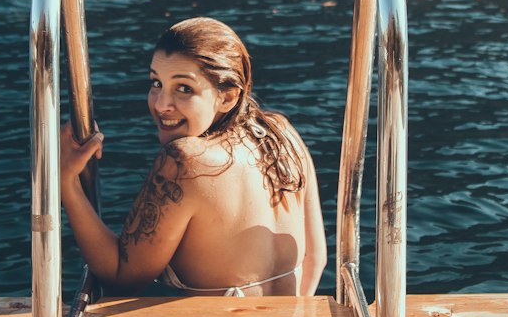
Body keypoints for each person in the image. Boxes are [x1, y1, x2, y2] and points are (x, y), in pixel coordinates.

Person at [59, 16, 327, 295]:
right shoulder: (282, 134)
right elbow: (315, 258)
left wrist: (66, 181)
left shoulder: (185, 161)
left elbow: (122, 277)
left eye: (184, 88)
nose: (161, 104)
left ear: (228, 97)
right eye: (156, 83)